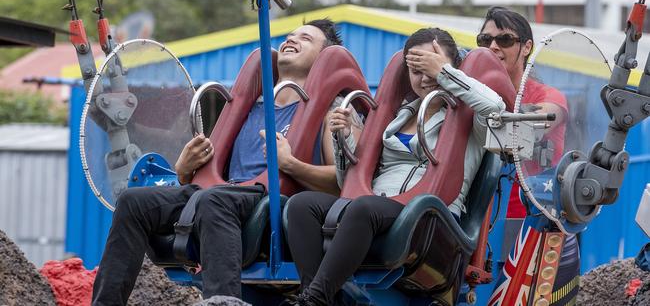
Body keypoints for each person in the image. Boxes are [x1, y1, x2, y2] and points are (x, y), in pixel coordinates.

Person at [92, 19, 361, 305]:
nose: (291, 40)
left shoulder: (332, 110)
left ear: (323, 59)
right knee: (133, 202)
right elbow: (207, 174)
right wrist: (184, 170)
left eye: (305, 38)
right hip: (222, 194)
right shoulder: (247, 105)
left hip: (270, 200)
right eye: (290, 35)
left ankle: (224, 301)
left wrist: (292, 164)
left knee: (215, 201)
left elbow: (341, 184)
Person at [285, 27, 507, 306]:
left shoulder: (470, 117)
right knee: (302, 206)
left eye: (431, 67)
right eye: (416, 71)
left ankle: (315, 300)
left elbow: (497, 109)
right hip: (379, 204)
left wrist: (445, 74)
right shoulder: (399, 117)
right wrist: (340, 140)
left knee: (364, 207)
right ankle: (317, 295)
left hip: (430, 213)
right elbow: (347, 182)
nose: (425, 78)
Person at [478, 6, 578, 305]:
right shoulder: (473, 96)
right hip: (480, 221)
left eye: (505, 40)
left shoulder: (546, 96)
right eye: (485, 40)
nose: (493, 47)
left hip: (532, 222)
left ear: (526, 47)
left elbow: (549, 115)